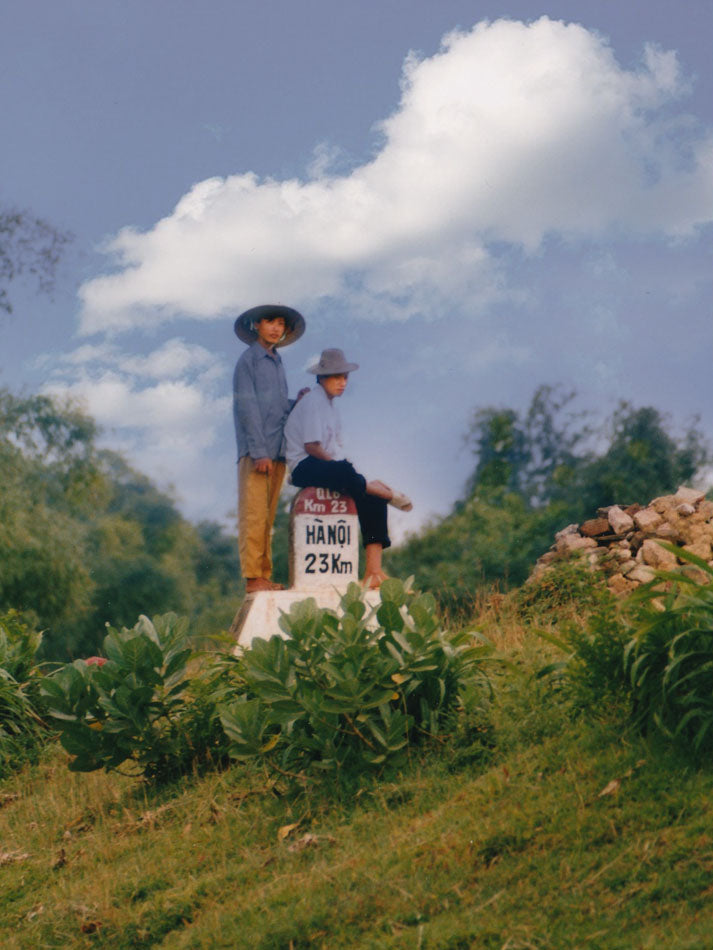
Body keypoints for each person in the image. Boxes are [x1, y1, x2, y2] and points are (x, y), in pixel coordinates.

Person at [284, 347, 412, 589]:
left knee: (369, 497)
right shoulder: (313, 401)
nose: (342, 383)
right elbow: (312, 447)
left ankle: (373, 572)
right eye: (336, 377)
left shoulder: (331, 408)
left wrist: (350, 474)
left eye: (344, 378)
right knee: (347, 473)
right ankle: (383, 490)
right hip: (304, 465)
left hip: (326, 464)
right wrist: (343, 471)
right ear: (322, 378)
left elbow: (336, 452)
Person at [233, 304, 307, 593]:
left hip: (277, 451)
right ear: (256, 326)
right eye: (269, 322)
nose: (275, 328)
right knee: (254, 514)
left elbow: (275, 408)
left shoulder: (276, 361)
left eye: (280, 324)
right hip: (257, 453)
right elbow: (247, 407)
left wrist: (296, 402)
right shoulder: (249, 360)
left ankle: (264, 575)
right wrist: (259, 451)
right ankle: (253, 578)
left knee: (268, 516)